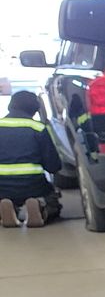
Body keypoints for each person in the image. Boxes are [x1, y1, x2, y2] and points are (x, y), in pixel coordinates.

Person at [0, 90, 63, 228]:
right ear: (35, 109)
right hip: (33, 185)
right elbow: (53, 166)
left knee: (4, 195)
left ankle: (5, 208)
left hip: (1, 185)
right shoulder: (38, 127)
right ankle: (41, 208)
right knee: (53, 199)